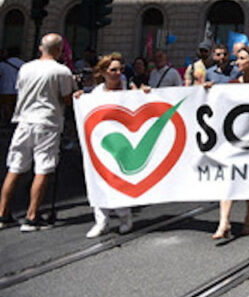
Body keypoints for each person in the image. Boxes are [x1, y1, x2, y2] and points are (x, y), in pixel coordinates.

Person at [0, 34, 76, 231]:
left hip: (24, 121)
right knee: (43, 168)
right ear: (59, 50)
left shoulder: (25, 68)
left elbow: (20, 89)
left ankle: (2, 214)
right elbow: (67, 99)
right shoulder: (61, 71)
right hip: (47, 122)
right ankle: (32, 216)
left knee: (15, 167)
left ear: (41, 48)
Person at [75, 54, 148, 238]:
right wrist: (81, 98)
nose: (117, 73)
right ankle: (101, 221)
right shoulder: (96, 94)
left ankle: (124, 216)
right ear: (103, 72)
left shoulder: (128, 91)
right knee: (98, 178)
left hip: (124, 143)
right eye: (113, 70)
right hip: (102, 143)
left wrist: (146, 94)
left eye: (120, 69)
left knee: (119, 179)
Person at [210, 45, 249, 239]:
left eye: (242, 58)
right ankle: (223, 221)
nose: (238, 62)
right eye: (238, 58)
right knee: (228, 178)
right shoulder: (232, 84)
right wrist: (208, 91)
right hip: (233, 140)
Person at [1, 48, 24, 127]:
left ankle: (7, 121)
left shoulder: (3, 64)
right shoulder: (23, 64)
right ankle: (14, 121)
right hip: (19, 89)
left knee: (6, 105)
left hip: (6, 88)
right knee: (16, 106)